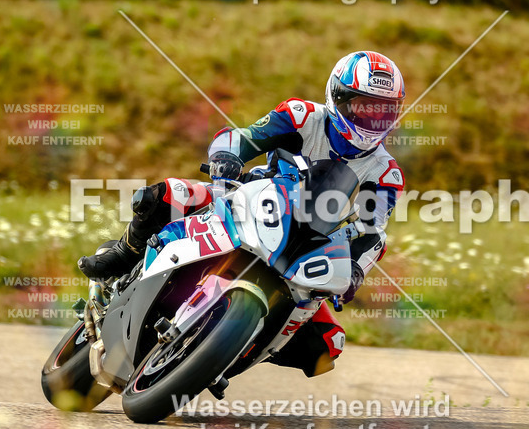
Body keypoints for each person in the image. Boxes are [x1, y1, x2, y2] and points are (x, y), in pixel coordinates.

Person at [78, 51, 407, 377]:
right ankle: (124, 254)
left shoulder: (384, 174)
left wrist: (354, 270)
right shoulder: (303, 116)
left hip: (307, 249)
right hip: (249, 200)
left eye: (383, 111)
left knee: (325, 347)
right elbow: (243, 137)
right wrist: (227, 155)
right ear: (338, 96)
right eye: (363, 106)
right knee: (163, 196)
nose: (371, 119)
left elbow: (373, 233)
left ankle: (230, 348)